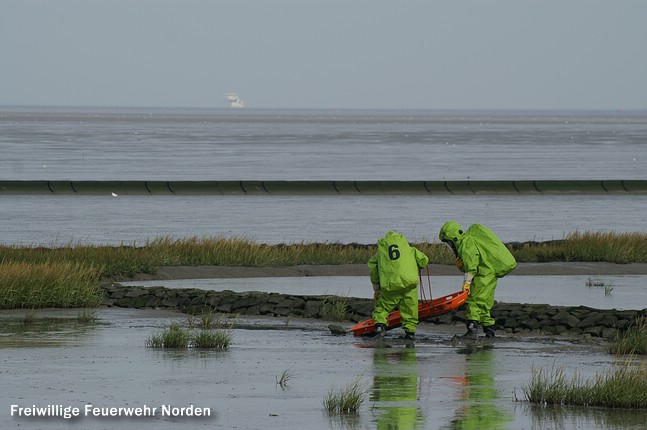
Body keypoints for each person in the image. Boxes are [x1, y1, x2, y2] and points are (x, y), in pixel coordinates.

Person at [438, 221, 516, 339]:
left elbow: (472, 266)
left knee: (473, 300)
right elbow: (475, 262)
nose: (449, 246)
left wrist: (467, 283)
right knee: (484, 302)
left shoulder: (466, 243)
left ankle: (471, 330)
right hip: (489, 273)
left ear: (453, 238)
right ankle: (489, 331)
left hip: (483, 274)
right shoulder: (469, 240)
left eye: (448, 242)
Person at [368, 230, 429, 340]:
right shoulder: (410, 250)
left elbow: (373, 271)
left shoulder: (380, 254)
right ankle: (410, 334)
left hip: (390, 286)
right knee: (410, 309)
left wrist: (376, 289)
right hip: (409, 284)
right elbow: (424, 260)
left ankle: (380, 328)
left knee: (382, 308)